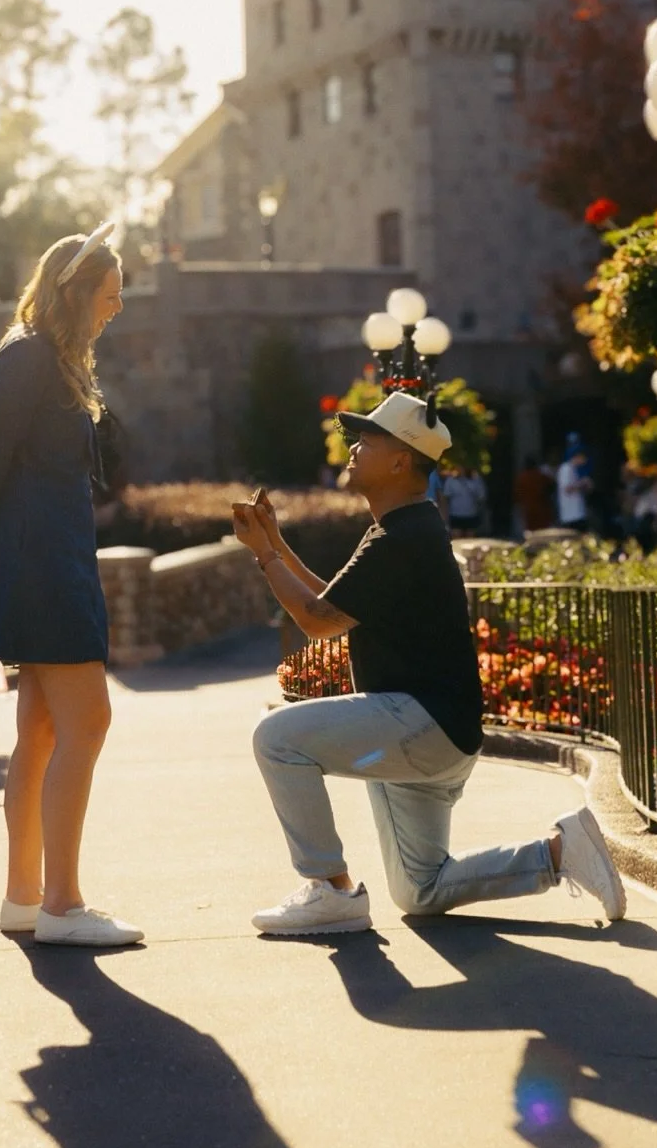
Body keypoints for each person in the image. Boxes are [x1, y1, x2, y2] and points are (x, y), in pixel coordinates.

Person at [230, 390, 625, 936]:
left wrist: (264, 555)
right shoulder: (407, 528)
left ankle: (330, 888)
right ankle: (559, 853)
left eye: (365, 441)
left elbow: (318, 621)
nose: (352, 448)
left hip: (418, 725)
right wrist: (273, 542)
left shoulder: (403, 536)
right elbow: (334, 608)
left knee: (275, 737)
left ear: (399, 460)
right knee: (421, 888)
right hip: (432, 733)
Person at [0, 223, 141, 948]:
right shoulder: (30, 358)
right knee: (88, 721)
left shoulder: (49, 360)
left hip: (48, 556)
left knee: (41, 730)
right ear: (74, 293)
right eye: (109, 294)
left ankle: (25, 898)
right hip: (41, 565)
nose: (116, 308)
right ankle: (62, 903)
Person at [556, 433, 594, 533]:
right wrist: (582, 483)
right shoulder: (566, 468)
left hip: (579, 513)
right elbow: (567, 488)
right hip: (570, 516)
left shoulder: (576, 470)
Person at [438, 463, 487, 535]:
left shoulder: (476, 480)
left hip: (471, 514)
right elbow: (445, 498)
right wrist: (445, 515)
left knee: (470, 539)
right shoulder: (451, 480)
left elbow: (481, 496)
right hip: (455, 514)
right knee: (456, 538)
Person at [513, 455, 555, 536]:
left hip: (527, 509)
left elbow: (517, 495)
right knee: (543, 532)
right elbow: (551, 487)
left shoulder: (521, 478)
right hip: (541, 508)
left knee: (530, 532)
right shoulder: (541, 476)